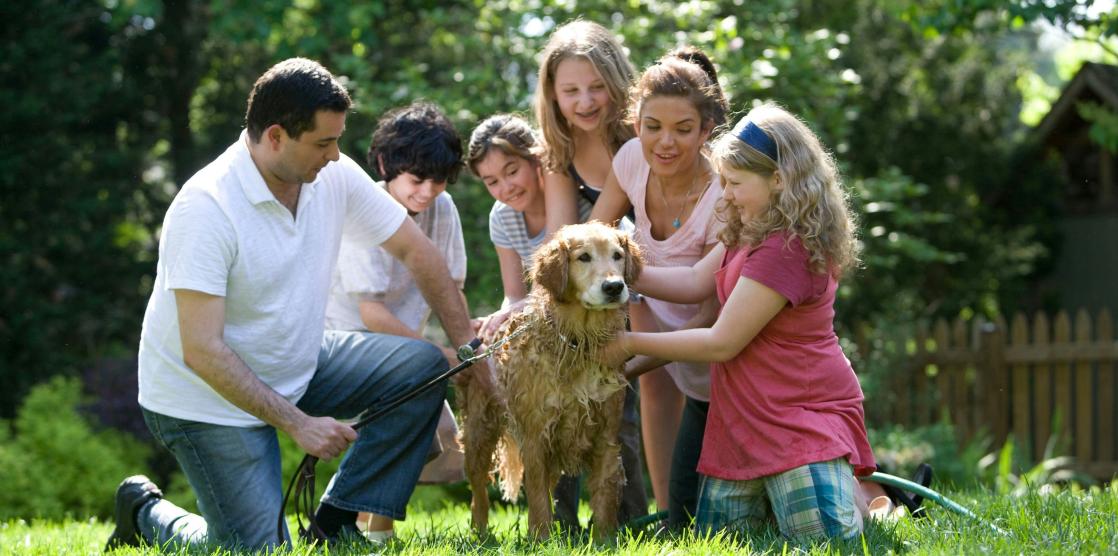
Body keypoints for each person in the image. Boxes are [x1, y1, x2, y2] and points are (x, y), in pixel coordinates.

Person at [105, 58, 482, 552]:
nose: (335, 155)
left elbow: (418, 252)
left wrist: (470, 352)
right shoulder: (206, 207)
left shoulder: (332, 175)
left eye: (337, 140)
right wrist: (298, 424)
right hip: (205, 399)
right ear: (276, 137)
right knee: (257, 550)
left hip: (297, 360)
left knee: (420, 366)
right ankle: (146, 512)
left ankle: (336, 521)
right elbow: (201, 350)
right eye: (323, 143)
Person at [605, 103, 876, 541]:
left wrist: (628, 343)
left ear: (779, 180)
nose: (725, 194)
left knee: (822, 538)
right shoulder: (750, 227)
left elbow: (721, 343)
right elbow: (696, 283)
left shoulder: (786, 248)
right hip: (743, 423)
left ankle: (869, 506)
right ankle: (845, 495)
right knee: (721, 542)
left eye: (733, 183)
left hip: (797, 419)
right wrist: (614, 269)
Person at [467, 113, 647, 532]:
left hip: (603, 333)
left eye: (512, 170)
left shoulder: (584, 211)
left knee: (620, 430)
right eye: (492, 181)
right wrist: (501, 318)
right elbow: (515, 293)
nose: (506, 186)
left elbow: (616, 268)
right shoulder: (502, 218)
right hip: (546, 332)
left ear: (537, 160)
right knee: (547, 425)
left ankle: (629, 522)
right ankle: (557, 526)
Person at [324, 100, 480, 540]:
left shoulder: (441, 208)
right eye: (417, 180)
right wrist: (442, 356)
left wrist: (468, 351)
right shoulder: (364, 207)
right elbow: (371, 313)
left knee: (438, 437)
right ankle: (365, 529)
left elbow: (452, 288)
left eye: (439, 180)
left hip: (408, 347)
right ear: (384, 165)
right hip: (349, 342)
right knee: (415, 427)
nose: (427, 192)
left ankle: (367, 528)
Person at [589, 46, 727, 530]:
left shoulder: (725, 194)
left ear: (707, 130)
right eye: (652, 127)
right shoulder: (630, 161)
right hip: (671, 356)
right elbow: (593, 237)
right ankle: (669, 516)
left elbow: (710, 316)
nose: (664, 143)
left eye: (683, 130)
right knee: (684, 517)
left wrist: (625, 361)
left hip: (728, 371)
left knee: (740, 510)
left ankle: (880, 494)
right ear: (636, 122)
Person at [528, 20, 651, 531]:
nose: (585, 101)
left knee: (625, 401)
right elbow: (563, 233)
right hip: (602, 284)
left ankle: (635, 514)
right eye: (570, 90)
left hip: (648, 272)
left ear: (619, 83)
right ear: (552, 96)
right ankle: (560, 520)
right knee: (572, 380)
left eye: (597, 87)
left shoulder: (644, 135)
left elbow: (616, 223)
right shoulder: (558, 152)